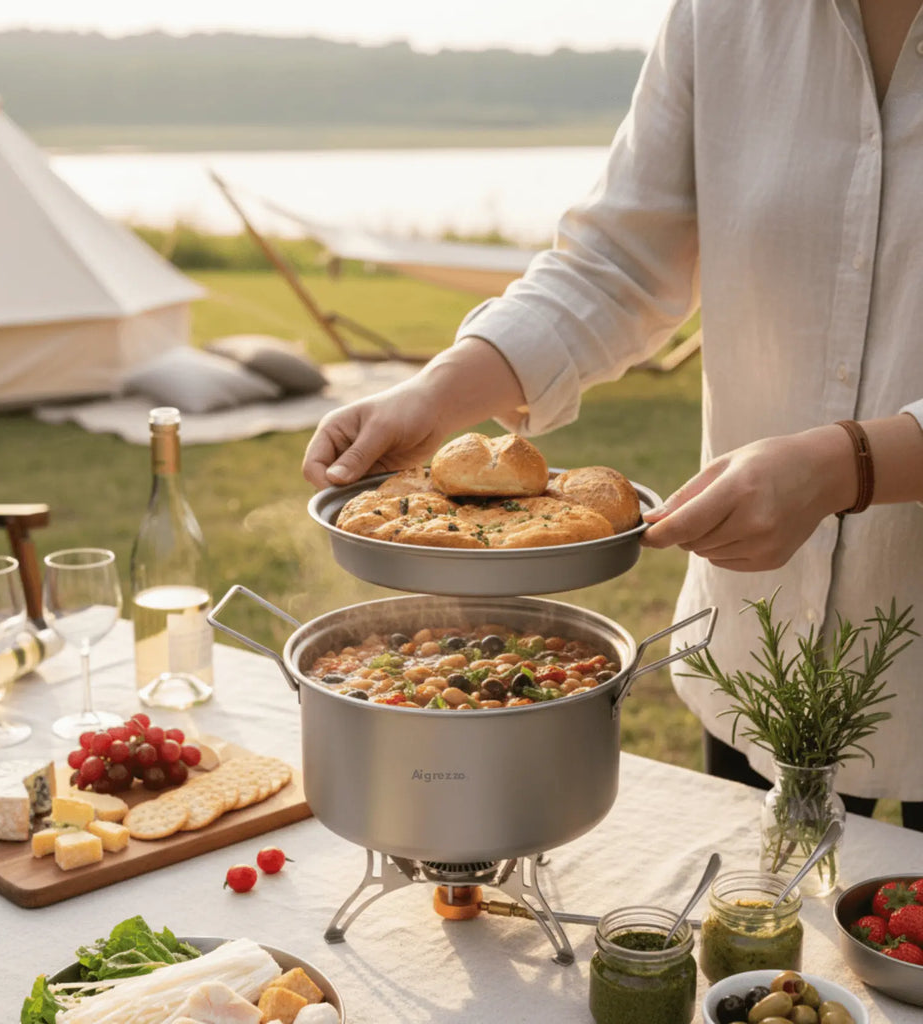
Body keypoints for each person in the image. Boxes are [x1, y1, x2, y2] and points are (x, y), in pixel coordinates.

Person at [303, 0, 923, 829]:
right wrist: (440, 392)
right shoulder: (723, 13)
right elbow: (616, 267)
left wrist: (854, 463)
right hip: (759, 646)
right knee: (746, 946)